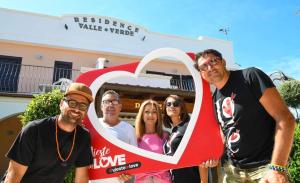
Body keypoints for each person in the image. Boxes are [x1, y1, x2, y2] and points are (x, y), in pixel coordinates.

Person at [195, 49, 296, 183]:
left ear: (223, 62)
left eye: (213, 61)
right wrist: (212, 156)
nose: (210, 67)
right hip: (234, 171)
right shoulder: (214, 98)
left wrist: (277, 168)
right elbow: (224, 134)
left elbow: (285, 119)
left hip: (265, 167)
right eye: (204, 66)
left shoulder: (249, 76)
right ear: (202, 74)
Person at [3, 82, 94, 183]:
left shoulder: (83, 137)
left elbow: (81, 177)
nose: (77, 109)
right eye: (72, 103)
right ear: (61, 104)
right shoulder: (34, 130)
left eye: (83, 106)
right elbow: (14, 175)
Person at [91, 90, 137, 183]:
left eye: (115, 102)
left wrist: (129, 173)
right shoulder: (92, 125)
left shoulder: (129, 129)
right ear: (101, 106)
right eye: (106, 102)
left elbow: (134, 159)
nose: (111, 105)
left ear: (120, 107)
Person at [162, 95, 209, 183]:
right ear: (165, 108)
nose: (172, 106)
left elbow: (200, 156)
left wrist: (204, 181)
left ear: (182, 108)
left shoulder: (188, 127)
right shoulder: (172, 132)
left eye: (176, 104)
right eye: (168, 104)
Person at [134, 99, 171, 183]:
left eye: (154, 112)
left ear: (158, 115)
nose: (150, 115)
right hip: (142, 180)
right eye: (147, 112)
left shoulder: (166, 136)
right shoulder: (134, 136)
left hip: (163, 180)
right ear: (142, 115)